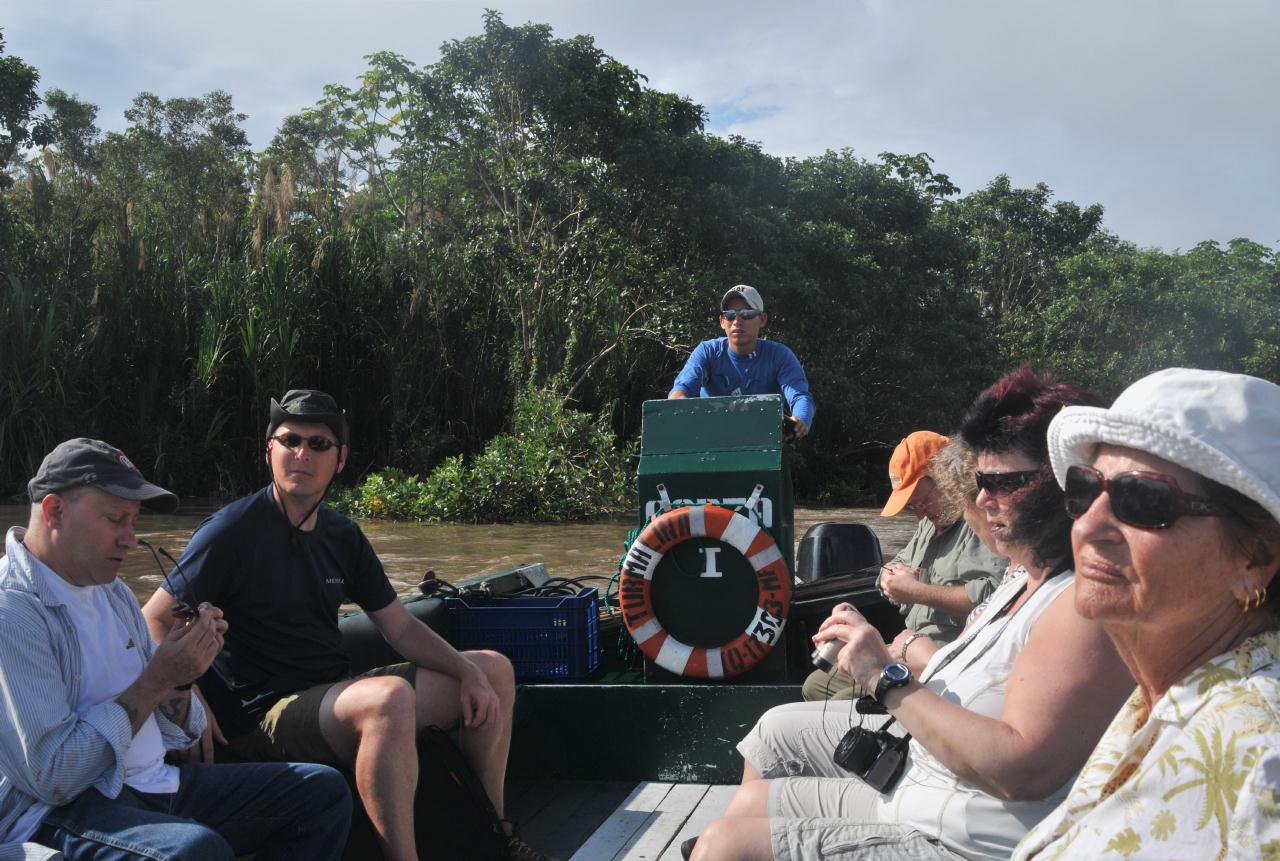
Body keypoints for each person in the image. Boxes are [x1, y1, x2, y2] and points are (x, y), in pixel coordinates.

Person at [688, 367, 1136, 861]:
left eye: (1002, 483)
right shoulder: (1020, 579)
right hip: (920, 776)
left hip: (964, 832)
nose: (982, 500)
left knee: (722, 847)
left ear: (1061, 486)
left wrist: (884, 674)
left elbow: (1021, 769)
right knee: (758, 779)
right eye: (978, 483)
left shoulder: (1079, 603)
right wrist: (883, 643)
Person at [140, 390, 548, 861]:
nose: (302, 453)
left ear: (340, 460)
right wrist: (188, 692)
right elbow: (154, 616)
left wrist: (466, 669)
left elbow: (399, 626)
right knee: (388, 699)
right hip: (263, 715)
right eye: (290, 440)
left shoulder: (342, 535)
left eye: (319, 444)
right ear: (268, 450)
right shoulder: (231, 531)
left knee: (494, 672)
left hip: (331, 693)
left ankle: (495, 837)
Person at [0, 438, 351, 860]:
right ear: (55, 511)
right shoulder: (13, 611)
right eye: (116, 520)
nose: (131, 541)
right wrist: (158, 678)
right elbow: (54, 777)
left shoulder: (112, 592)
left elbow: (172, 732)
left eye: (134, 522)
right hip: (64, 808)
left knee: (322, 793)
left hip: (154, 782)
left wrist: (183, 680)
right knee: (195, 851)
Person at [1012, 368, 1280, 859]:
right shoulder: (1160, 698)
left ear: (1256, 559)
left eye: (1144, 500)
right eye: (1084, 487)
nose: (1089, 524)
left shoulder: (1265, 761)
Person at [803, 431, 1006, 700]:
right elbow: (894, 567)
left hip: (947, 657)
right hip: (906, 647)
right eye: (913, 506)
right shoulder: (928, 525)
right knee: (816, 684)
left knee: (844, 700)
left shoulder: (981, 526)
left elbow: (996, 599)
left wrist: (915, 592)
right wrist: (890, 579)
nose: (920, 513)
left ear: (949, 481)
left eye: (922, 500)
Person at [669, 284, 816, 438]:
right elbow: (680, 391)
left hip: (761, 449)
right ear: (722, 321)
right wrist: (679, 403)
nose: (737, 321)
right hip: (709, 446)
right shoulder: (707, 351)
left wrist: (799, 419)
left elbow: (800, 396)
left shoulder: (780, 356)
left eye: (746, 314)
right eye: (730, 315)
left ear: (762, 319)